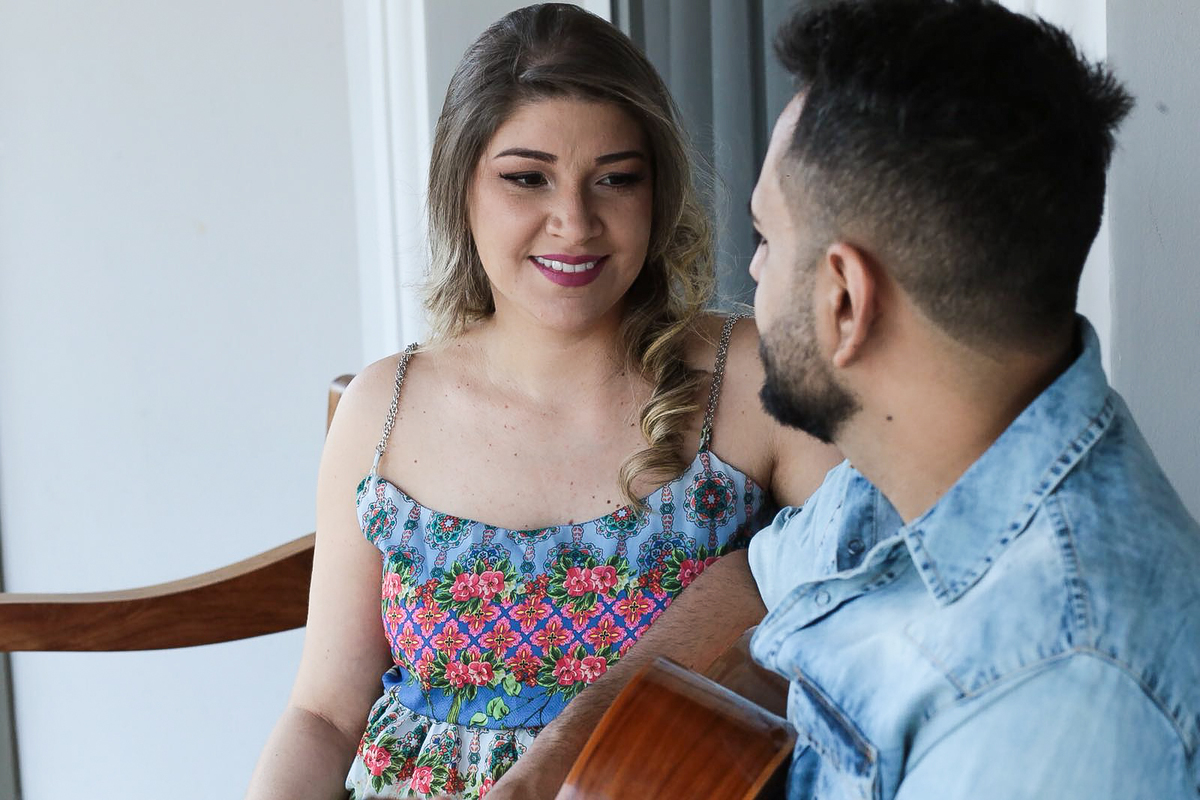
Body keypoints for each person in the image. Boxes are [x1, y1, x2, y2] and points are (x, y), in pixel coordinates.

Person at [245, 4, 838, 799]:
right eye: (527, 178)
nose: (575, 223)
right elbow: (322, 713)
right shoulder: (384, 411)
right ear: (461, 188)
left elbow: (866, 620)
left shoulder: (760, 381)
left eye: (616, 179)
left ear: (657, 191)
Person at [743, 0, 1200, 798]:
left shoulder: (1058, 700)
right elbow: (761, 575)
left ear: (845, 300)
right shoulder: (911, 467)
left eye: (766, 240)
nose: (753, 270)